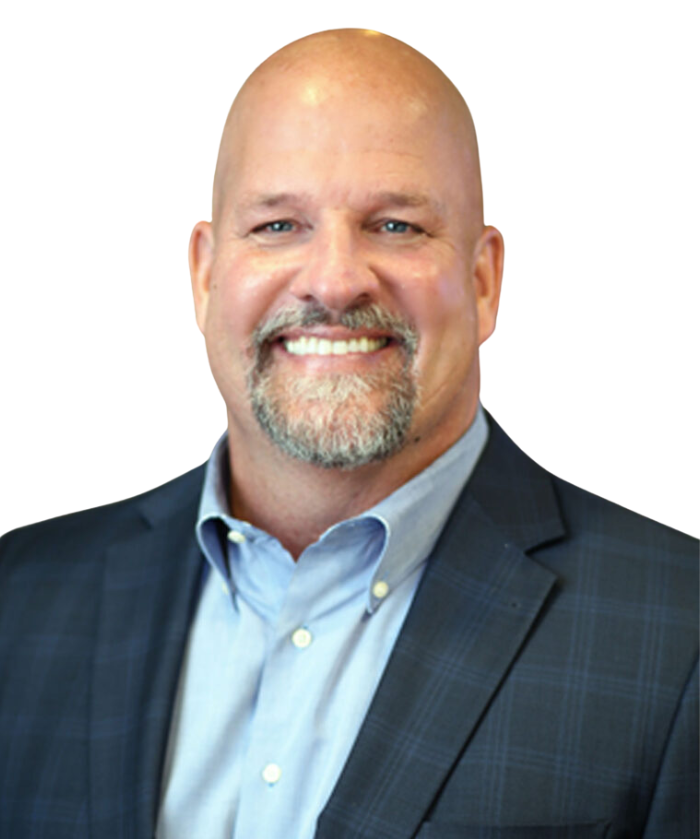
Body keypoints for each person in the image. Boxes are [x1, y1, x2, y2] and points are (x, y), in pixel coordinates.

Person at [0, 28, 696, 839]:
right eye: (277, 226)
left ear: (482, 281)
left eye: (395, 225)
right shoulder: (22, 598)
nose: (333, 280)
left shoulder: (676, 634)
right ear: (203, 273)